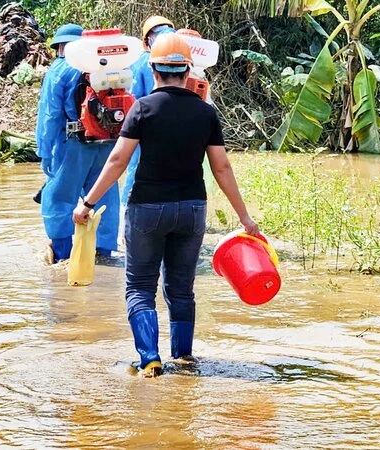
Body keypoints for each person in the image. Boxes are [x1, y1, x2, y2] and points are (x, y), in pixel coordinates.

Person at [73, 34, 260, 377]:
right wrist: (244, 217)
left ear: (153, 69)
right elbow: (222, 167)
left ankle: (150, 360)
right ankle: (185, 358)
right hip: (191, 210)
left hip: (148, 208)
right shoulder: (205, 113)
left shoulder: (142, 109)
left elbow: (117, 162)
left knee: (140, 288)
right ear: (188, 71)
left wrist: (87, 202)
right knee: (181, 288)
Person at [38, 24, 120, 263]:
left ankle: (63, 256)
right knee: (104, 197)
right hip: (106, 144)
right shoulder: (109, 68)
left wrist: (45, 152)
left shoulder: (60, 70)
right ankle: (104, 255)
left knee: (58, 198)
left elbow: (50, 116)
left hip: (72, 145)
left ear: (60, 47)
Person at [121, 15, 176, 206]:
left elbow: (132, 100)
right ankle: (130, 208)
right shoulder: (176, 60)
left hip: (148, 126)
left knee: (140, 170)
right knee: (140, 170)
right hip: (156, 128)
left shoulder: (143, 61)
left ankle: (130, 210)